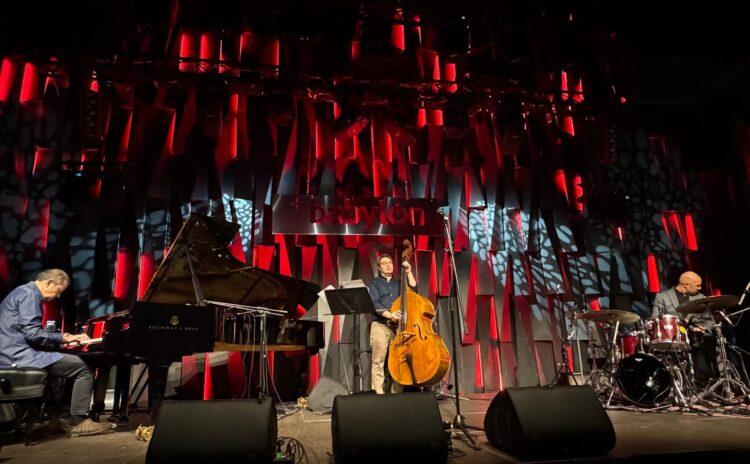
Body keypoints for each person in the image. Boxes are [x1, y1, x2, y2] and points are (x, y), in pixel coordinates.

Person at [0, 269, 115, 437]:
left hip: (10, 352)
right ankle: (78, 422)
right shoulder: (30, 295)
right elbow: (33, 334)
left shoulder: (21, 291)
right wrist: (63, 338)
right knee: (83, 368)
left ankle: (61, 415)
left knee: (69, 362)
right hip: (19, 356)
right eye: (59, 291)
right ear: (49, 283)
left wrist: (61, 341)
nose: (58, 296)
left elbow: (28, 333)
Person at [651, 271, 715, 385]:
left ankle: (702, 383)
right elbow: (655, 319)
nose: (700, 288)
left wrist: (702, 328)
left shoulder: (701, 298)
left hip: (696, 339)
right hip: (673, 338)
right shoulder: (662, 297)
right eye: (697, 285)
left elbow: (709, 321)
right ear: (685, 285)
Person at [368, 253, 417, 394]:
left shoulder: (399, 283)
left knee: (398, 361)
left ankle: (397, 394)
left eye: (390, 262)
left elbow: (414, 290)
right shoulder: (375, 283)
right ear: (379, 268)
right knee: (378, 361)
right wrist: (390, 315)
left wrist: (409, 272)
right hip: (381, 325)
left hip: (398, 328)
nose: (388, 265)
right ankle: (378, 394)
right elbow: (374, 303)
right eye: (384, 263)